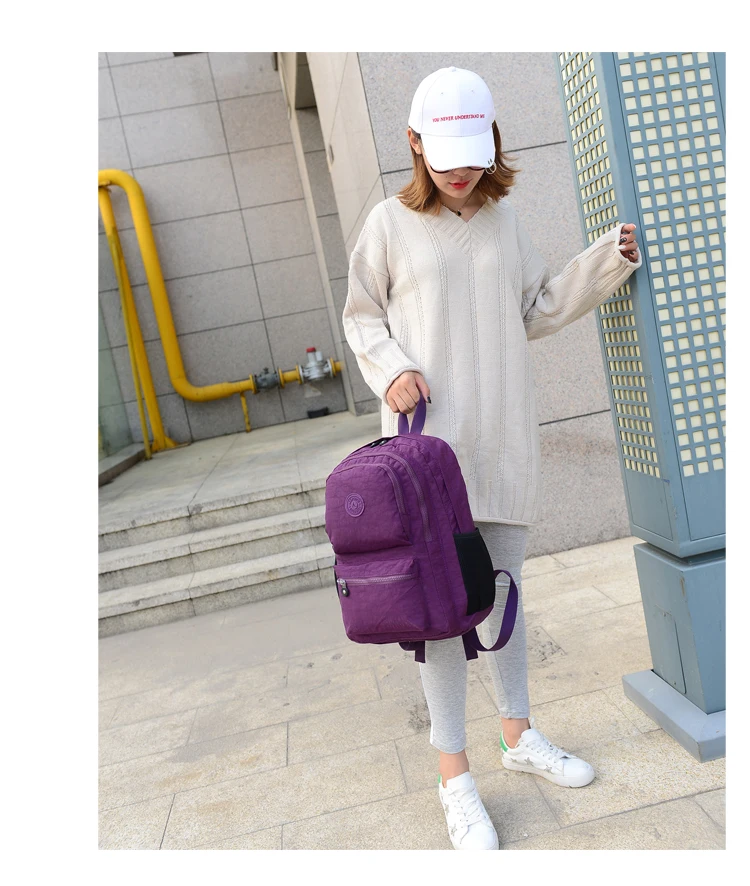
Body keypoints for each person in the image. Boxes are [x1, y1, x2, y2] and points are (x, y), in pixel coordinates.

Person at [342, 66, 641, 851]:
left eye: (472, 156)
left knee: (503, 597)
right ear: (415, 143)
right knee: (440, 616)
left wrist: (607, 260)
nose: (460, 172)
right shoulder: (387, 224)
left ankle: (519, 736)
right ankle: (456, 779)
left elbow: (536, 307)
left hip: (501, 438)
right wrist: (391, 368)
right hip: (427, 458)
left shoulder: (505, 222)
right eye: (445, 158)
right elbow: (361, 316)